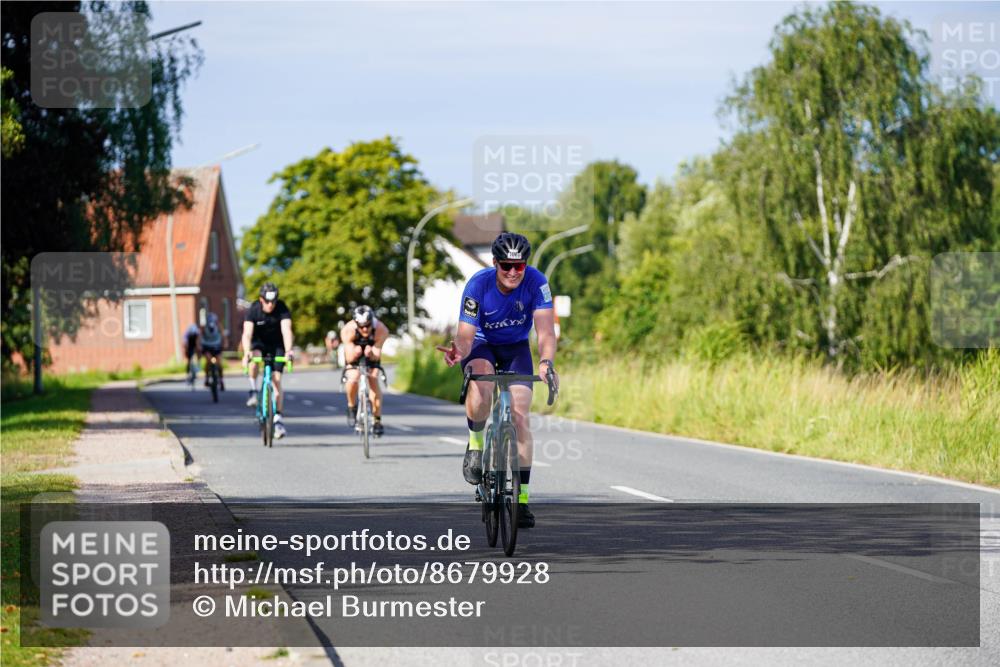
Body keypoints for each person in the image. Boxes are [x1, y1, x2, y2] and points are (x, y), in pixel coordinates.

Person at [440, 232, 559, 529]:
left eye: (519, 266)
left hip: (516, 348)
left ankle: (522, 501)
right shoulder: (478, 285)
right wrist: (459, 351)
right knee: (481, 389)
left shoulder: (536, 282)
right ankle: (476, 446)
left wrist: (546, 362)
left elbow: (545, 333)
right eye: (506, 265)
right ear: (495, 263)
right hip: (480, 344)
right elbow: (466, 336)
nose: (513, 272)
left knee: (520, 418)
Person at [241, 283, 294, 439]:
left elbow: (287, 330)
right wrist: (246, 352)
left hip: (277, 345)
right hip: (259, 343)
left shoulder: (282, 308)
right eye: (267, 301)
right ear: (261, 299)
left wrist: (289, 350)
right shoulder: (254, 309)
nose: (271, 305)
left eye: (273, 301)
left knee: (276, 379)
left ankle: (277, 418)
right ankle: (253, 389)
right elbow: (247, 334)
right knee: (254, 357)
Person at [340, 305, 389, 436]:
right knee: (353, 378)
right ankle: (351, 406)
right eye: (361, 327)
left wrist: (371, 354)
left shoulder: (381, 329)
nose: (365, 329)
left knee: (373, 379)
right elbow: (348, 356)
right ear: (356, 324)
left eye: (367, 325)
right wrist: (356, 352)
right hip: (354, 354)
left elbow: (377, 353)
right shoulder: (347, 330)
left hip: (371, 352)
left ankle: (377, 420)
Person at [200, 313, 225, 390]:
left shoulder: (219, 326)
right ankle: (207, 378)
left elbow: (223, 335)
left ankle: (221, 380)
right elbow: (199, 336)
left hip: (216, 346)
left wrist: (225, 343)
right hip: (207, 346)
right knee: (208, 360)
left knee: (219, 362)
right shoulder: (203, 327)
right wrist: (199, 346)